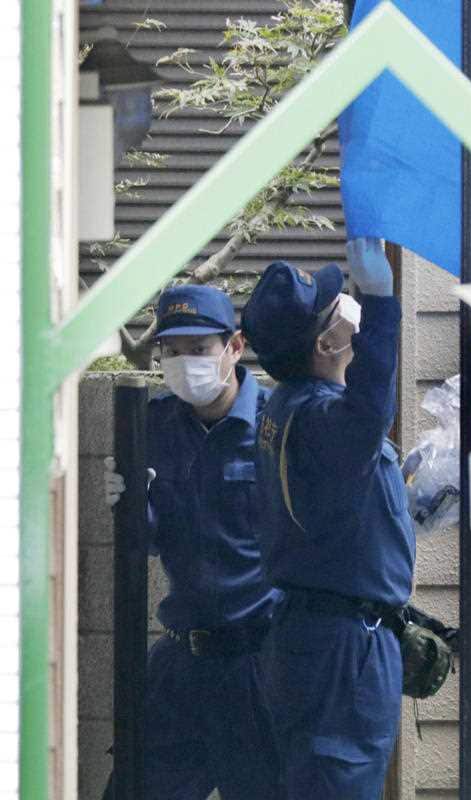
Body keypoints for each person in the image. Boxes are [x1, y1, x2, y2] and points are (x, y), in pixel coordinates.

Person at [241, 238, 416, 800]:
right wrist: (382, 303)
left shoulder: (288, 407)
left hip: (312, 634)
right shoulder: (319, 418)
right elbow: (367, 413)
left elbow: (336, 504)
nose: (346, 306)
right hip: (345, 648)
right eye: (336, 306)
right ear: (326, 341)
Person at [102, 284, 281, 800]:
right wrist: (131, 506)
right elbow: (154, 539)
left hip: (258, 662)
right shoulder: (154, 424)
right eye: (173, 351)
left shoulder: (276, 425)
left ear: (234, 347)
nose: (185, 363)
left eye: (199, 350)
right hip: (182, 661)